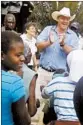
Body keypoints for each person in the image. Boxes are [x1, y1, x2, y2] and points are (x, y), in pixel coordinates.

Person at [33, 7, 79, 125]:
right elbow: (38, 46)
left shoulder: (73, 35)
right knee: (38, 103)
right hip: (44, 72)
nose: (65, 21)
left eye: (67, 19)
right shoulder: (48, 30)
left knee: (57, 107)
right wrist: (49, 42)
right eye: (62, 18)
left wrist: (63, 44)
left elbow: (74, 54)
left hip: (62, 76)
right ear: (58, 19)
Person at [41, 49, 83, 125]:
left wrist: (43, 88)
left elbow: (44, 94)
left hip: (60, 122)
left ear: (68, 66)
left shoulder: (58, 81)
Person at [1, 31, 31, 125]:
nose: (23, 58)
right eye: (18, 55)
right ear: (2, 55)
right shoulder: (14, 82)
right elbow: (24, 121)